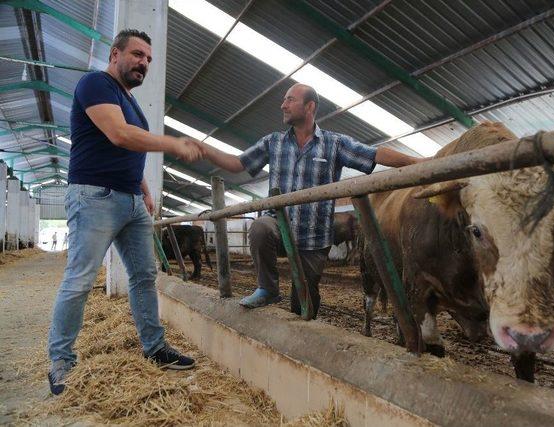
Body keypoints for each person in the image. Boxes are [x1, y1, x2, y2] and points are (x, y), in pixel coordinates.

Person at [47, 29, 201, 396]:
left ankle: (154, 347)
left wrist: (145, 191)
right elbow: (119, 136)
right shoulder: (95, 84)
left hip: (131, 200)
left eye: (148, 58)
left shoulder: (128, 99)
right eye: (137, 54)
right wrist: (174, 144)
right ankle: (61, 362)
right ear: (115, 54)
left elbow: (131, 152)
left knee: (145, 276)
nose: (143, 62)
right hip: (95, 196)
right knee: (81, 279)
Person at [197, 83, 421, 318]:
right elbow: (238, 163)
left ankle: (303, 330)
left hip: (314, 235)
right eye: (284, 100)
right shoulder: (274, 142)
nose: (283, 105)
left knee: (304, 299)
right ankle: (268, 289)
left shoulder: (334, 143)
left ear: (310, 106)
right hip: (279, 225)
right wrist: (205, 150)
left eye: (290, 100)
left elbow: (374, 154)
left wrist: (415, 163)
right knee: (260, 226)